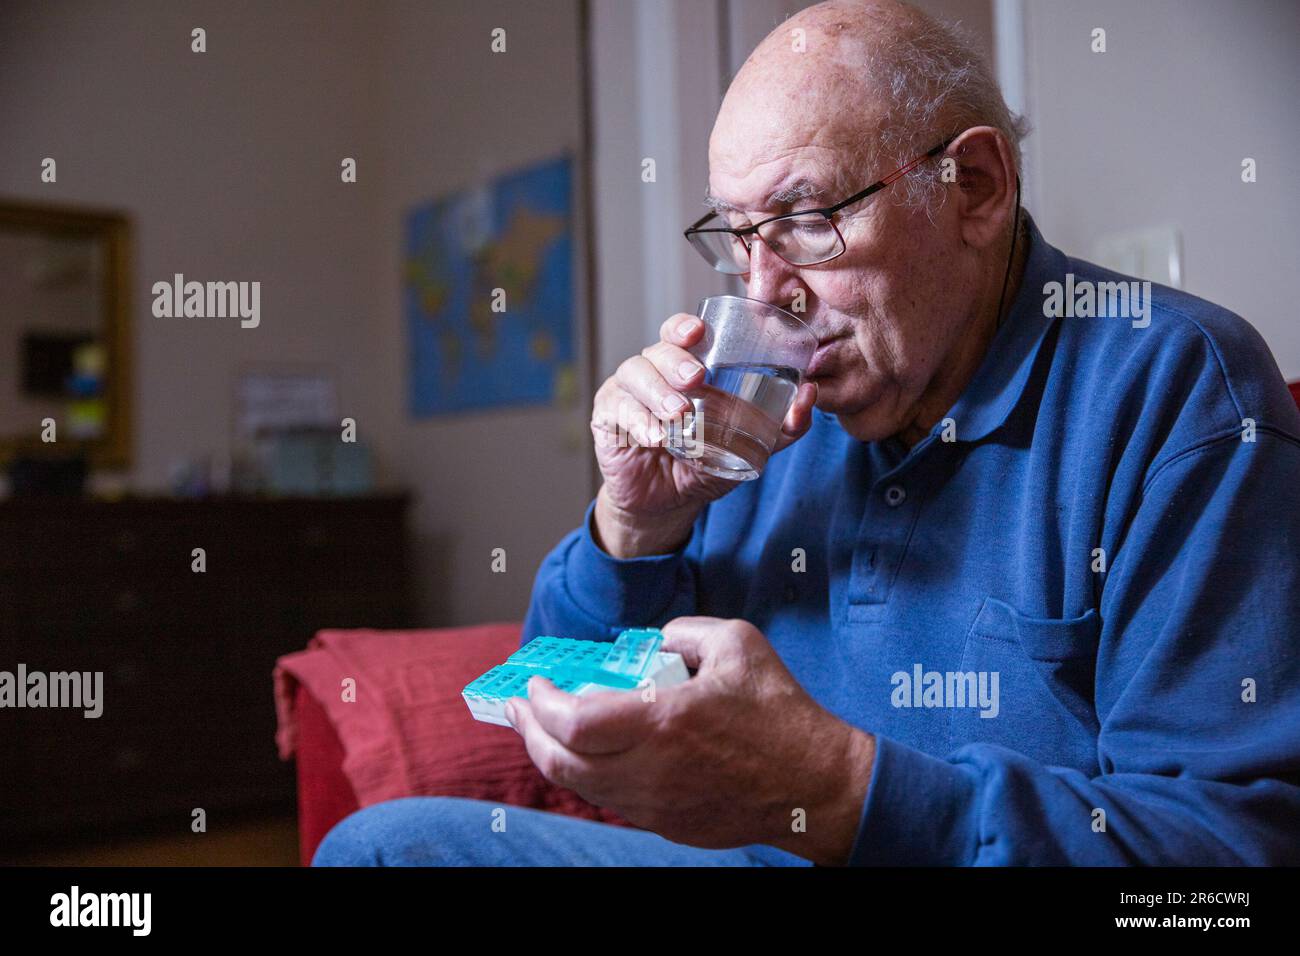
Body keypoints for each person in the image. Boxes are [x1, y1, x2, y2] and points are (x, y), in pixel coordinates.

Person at [315, 0, 1300, 866]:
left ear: (975, 188)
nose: (764, 292)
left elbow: (1225, 853)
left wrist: (841, 789)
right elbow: (558, 695)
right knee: (384, 850)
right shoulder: (762, 411)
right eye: (740, 235)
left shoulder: (1174, 386)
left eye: (807, 219)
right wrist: (633, 524)